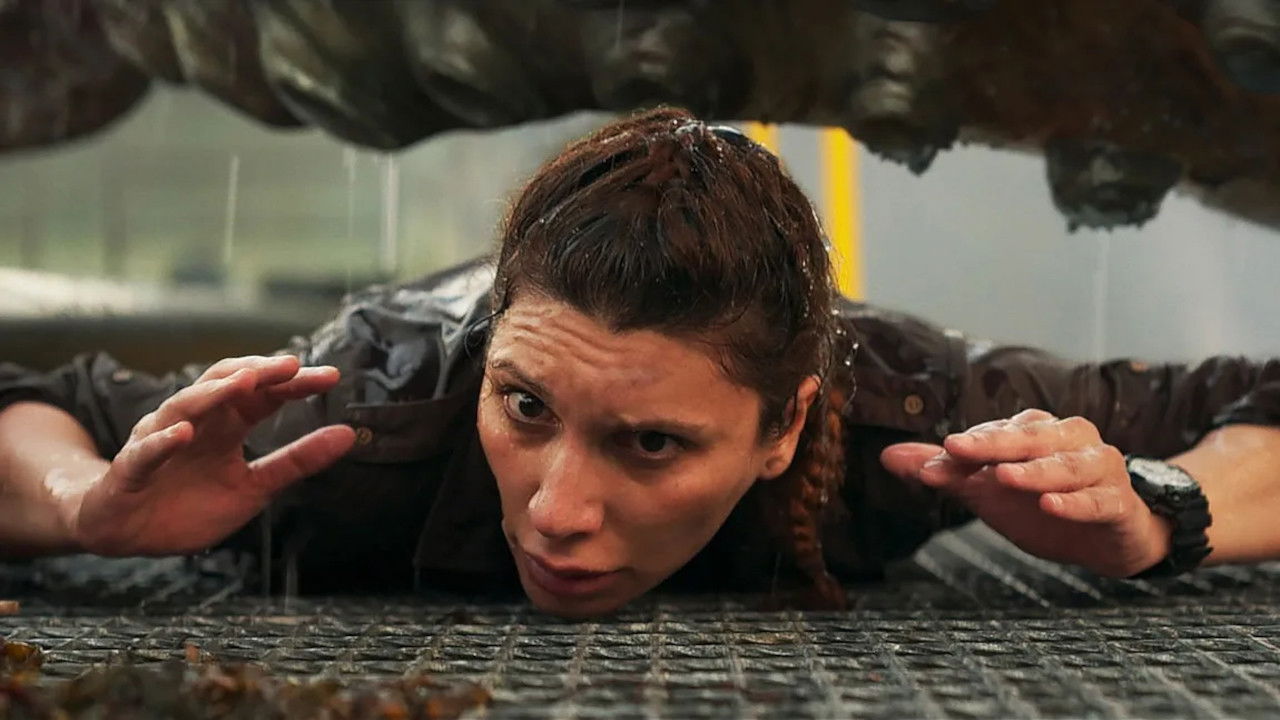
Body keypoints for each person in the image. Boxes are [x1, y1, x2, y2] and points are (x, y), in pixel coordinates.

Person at [2, 107, 1280, 619]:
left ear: (785, 427)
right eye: (525, 408)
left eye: (651, 443)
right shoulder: (357, 414)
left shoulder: (913, 409)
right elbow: (30, 399)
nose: (556, 513)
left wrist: (1155, 516)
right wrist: (84, 508)